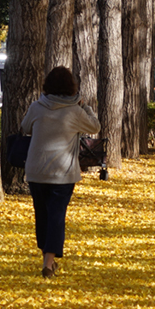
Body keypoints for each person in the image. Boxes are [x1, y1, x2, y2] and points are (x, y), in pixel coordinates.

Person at [20, 66, 102, 278]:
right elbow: (95, 127)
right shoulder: (75, 111)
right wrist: (87, 108)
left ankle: (48, 259)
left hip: (37, 171)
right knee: (56, 215)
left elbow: (25, 127)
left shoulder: (37, 107)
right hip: (62, 173)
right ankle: (48, 263)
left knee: (42, 216)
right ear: (71, 87)